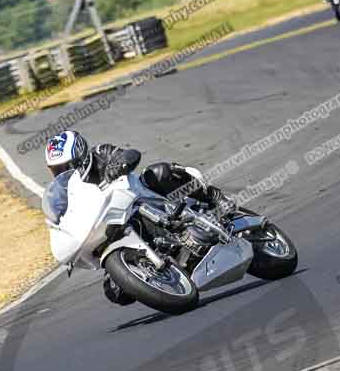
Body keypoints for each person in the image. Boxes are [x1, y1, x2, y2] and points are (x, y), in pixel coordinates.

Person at [44, 130, 237, 305]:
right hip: (109, 225)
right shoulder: (67, 190)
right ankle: (152, 267)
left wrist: (119, 163)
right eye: (56, 170)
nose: (62, 173)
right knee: (116, 292)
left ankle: (214, 198)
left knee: (158, 173)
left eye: (65, 167)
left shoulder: (100, 153)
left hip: (141, 199)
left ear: (81, 157)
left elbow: (129, 154)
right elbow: (62, 215)